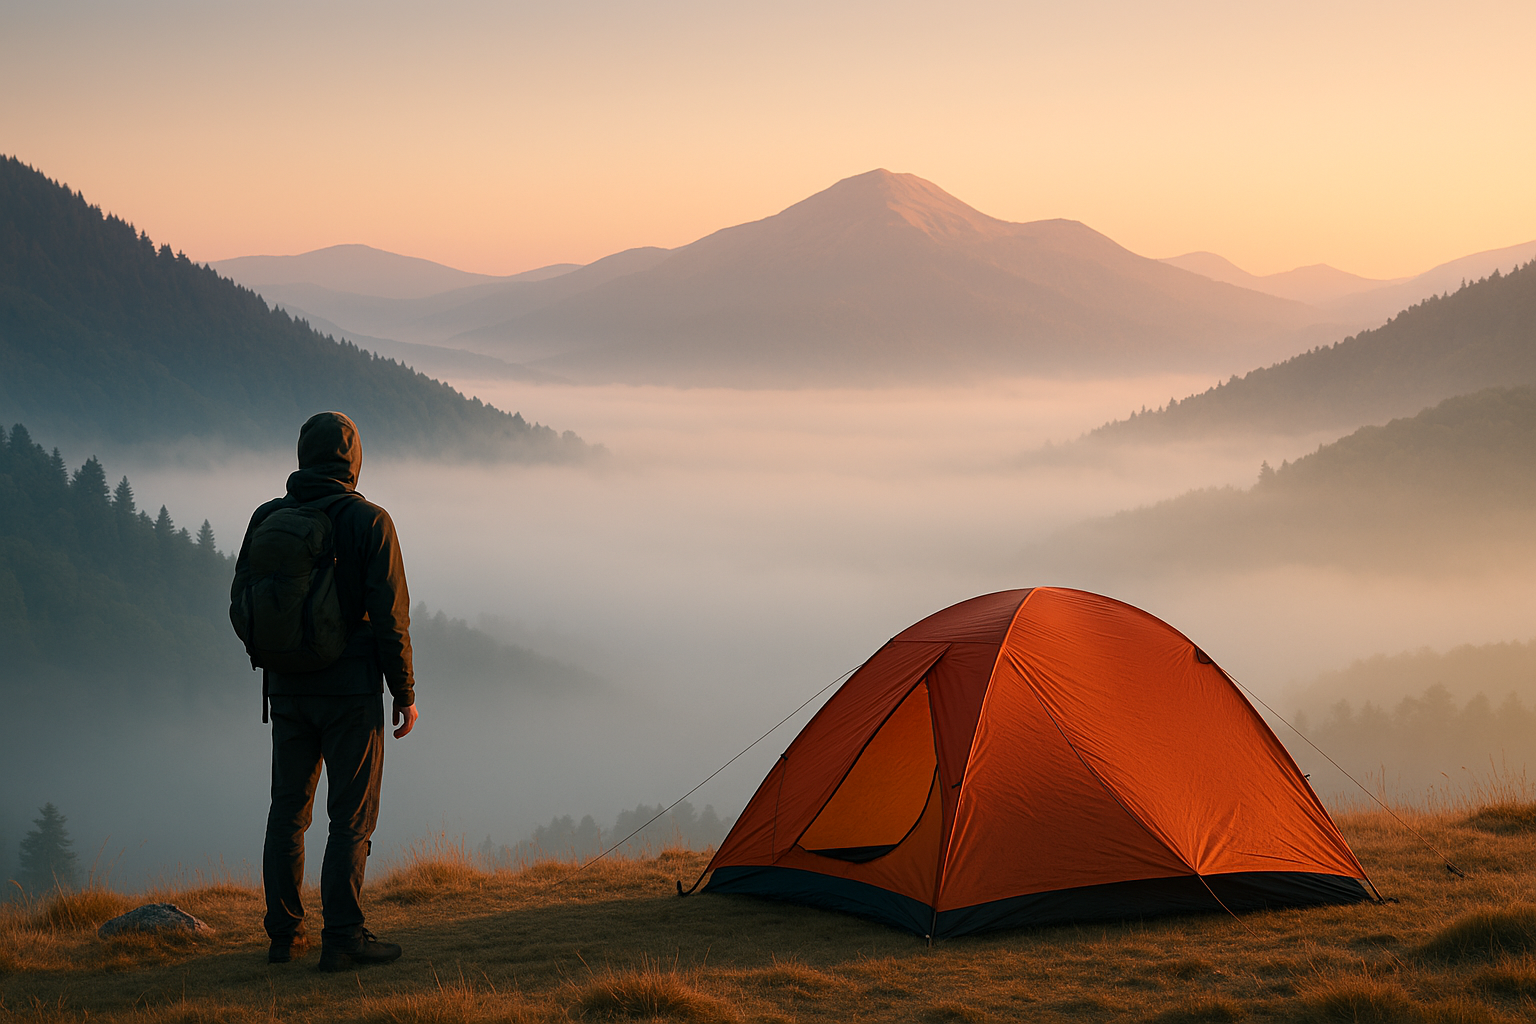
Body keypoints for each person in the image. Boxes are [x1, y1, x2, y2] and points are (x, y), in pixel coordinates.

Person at [232, 411, 419, 971]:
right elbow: (392, 618)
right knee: (350, 818)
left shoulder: (269, 517)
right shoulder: (369, 521)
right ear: (353, 459)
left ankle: (284, 937)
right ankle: (343, 937)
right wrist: (403, 691)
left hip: (285, 691)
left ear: (302, 456)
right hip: (350, 694)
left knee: (287, 815)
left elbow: (245, 599)